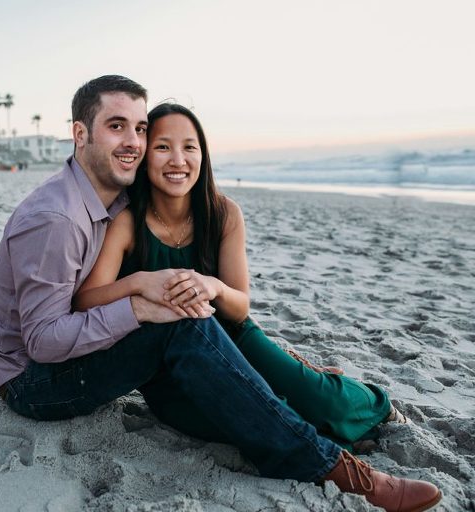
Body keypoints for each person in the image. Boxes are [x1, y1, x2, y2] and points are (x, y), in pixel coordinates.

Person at [0, 75, 441, 511]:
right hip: (32, 382)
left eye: (140, 129)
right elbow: (42, 342)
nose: (133, 143)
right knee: (177, 323)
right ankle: (326, 465)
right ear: (80, 134)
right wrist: (141, 305)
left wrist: (276, 358)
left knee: (190, 324)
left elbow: (225, 299)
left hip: (88, 353)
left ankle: (324, 416)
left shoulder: (116, 198)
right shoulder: (58, 219)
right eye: (116, 126)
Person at [73, 102, 409, 450]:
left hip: (236, 338)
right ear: (145, 157)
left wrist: (214, 286)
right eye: (162, 147)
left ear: (203, 155)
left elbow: (239, 308)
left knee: (325, 403)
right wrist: (139, 282)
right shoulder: (127, 221)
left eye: (189, 147)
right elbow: (86, 299)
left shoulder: (224, 213)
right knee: (246, 423)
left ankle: (375, 401)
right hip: (169, 365)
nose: (178, 160)